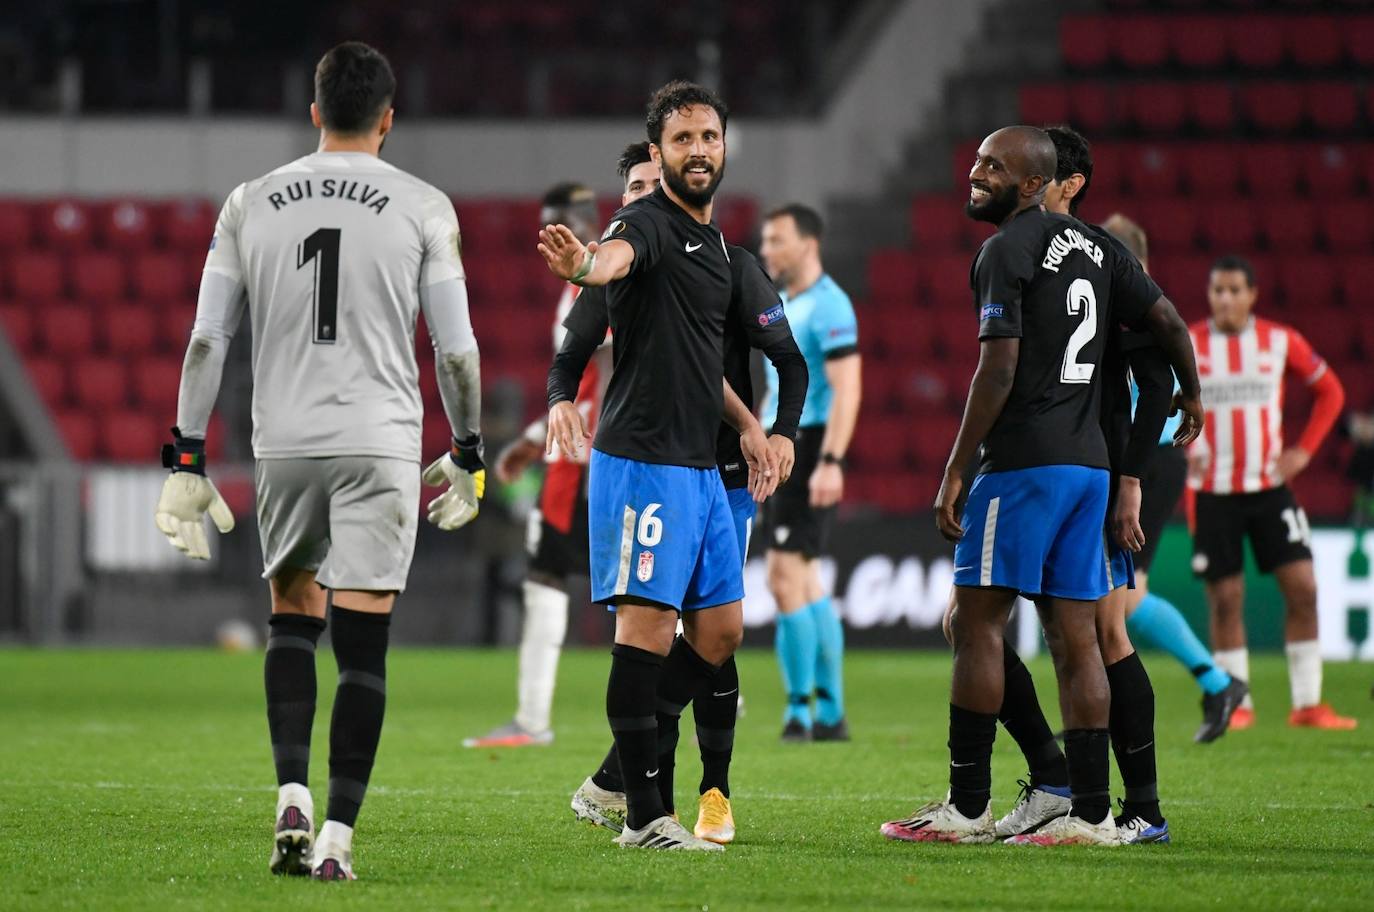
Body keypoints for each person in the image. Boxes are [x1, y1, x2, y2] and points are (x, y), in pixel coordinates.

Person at [152, 42, 485, 881]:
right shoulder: (424, 205)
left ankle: (290, 793)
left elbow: (204, 341)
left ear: (313, 113)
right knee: (364, 648)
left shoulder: (249, 202)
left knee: (292, 620)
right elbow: (458, 354)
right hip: (380, 443)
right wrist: (469, 451)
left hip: (287, 444)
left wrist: (184, 456)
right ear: (388, 118)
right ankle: (337, 839)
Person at [879, 125, 1202, 848]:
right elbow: (1170, 321)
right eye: (975, 161)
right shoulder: (1102, 248)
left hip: (1023, 462)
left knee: (976, 623)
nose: (975, 173)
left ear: (1033, 184)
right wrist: (1192, 394)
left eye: (992, 167)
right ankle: (1090, 815)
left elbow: (997, 368)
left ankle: (967, 807)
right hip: (1089, 469)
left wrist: (957, 467)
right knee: (1076, 638)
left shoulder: (1005, 249)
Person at [537, 81, 764, 852]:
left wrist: (749, 426)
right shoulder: (650, 222)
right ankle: (642, 816)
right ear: (659, 151)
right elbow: (610, 263)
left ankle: (611, 778)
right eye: (683, 139)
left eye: (709, 137)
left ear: (724, 145)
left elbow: (704, 366)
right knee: (644, 632)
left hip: (699, 466)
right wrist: (584, 266)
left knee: (722, 632)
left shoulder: (713, 245)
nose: (698, 150)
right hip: (642, 461)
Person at [979, 125, 1195, 847]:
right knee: (1066, 633)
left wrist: (1131, 476)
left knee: (1101, 632)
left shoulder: (1089, 256)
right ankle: (1066, 785)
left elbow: (1158, 371)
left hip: (1092, 469)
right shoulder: (1055, 257)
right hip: (1078, 465)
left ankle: (1128, 804)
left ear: (1061, 185)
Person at [462, 181, 607, 749]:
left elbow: (615, 374)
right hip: (573, 455)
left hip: (593, 460)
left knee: (626, 586)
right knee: (573, 578)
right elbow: (583, 379)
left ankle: (530, 721)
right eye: (545, 227)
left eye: (559, 223)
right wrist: (533, 435)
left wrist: (593, 445)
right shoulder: (575, 286)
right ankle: (530, 719)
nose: (548, 237)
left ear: (583, 220)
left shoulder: (603, 282)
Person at [1097, 213, 1251, 744]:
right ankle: (1213, 683)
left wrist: (1129, 474)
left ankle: (1214, 679)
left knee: (1121, 594)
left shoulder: (1138, 313)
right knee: (1116, 596)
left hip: (1148, 462)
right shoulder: (1125, 310)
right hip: (1143, 461)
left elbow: (1154, 395)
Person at [1189, 255, 1354, 731]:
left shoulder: (1281, 341)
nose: (1225, 299)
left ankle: (1307, 704)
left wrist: (1302, 452)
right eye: (1217, 290)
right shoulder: (1190, 343)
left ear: (1252, 295)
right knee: (1226, 598)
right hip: (1212, 491)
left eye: (1234, 290)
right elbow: (1159, 397)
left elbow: (1332, 393)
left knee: (1303, 588)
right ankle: (1236, 704)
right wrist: (1184, 444)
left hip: (1269, 488)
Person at [757, 204, 861, 742]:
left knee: (783, 576)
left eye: (777, 240)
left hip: (812, 446)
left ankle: (801, 709)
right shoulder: (789, 303)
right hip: (790, 445)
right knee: (808, 578)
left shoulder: (830, 306)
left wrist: (831, 461)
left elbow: (849, 387)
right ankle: (830, 710)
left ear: (808, 243)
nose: (767, 249)